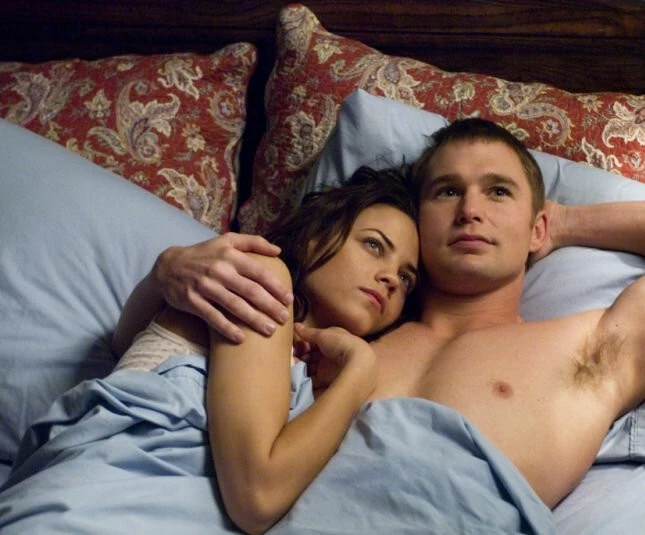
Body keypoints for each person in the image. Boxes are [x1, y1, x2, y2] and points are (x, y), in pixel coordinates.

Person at [152, 118, 645, 530]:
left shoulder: (591, 346)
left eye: (498, 192)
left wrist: (563, 223)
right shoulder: (340, 335)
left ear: (535, 227)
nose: (470, 211)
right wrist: (166, 269)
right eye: (447, 191)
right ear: (418, 218)